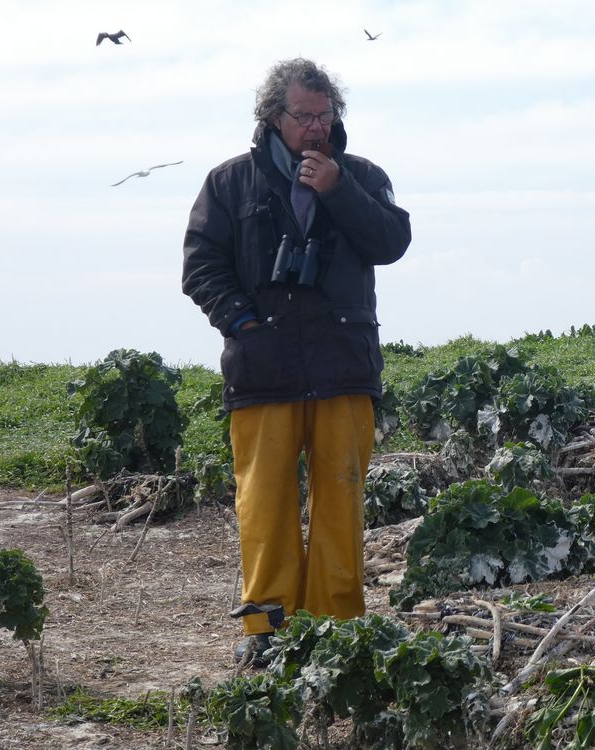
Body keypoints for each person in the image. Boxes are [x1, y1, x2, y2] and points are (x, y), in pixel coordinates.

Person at [182, 57, 411, 662]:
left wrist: (337, 191)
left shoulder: (362, 175)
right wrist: (241, 322)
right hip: (263, 371)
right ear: (273, 117)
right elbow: (200, 265)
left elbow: (392, 242)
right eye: (303, 115)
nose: (315, 127)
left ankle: (335, 633)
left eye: (324, 115)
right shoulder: (228, 183)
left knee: (342, 501)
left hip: (343, 370)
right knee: (264, 506)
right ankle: (267, 636)